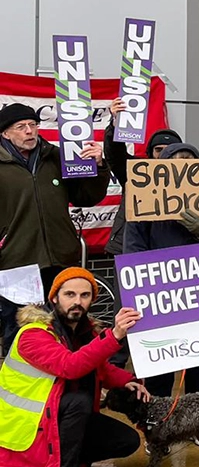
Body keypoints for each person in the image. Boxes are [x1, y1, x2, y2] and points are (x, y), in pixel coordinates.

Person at [0, 267, 145, 467]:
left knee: (126, 441)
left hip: (52, 420)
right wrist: (115, 335)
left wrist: (127, 381)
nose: (77, 302)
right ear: (54, 298)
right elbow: (70, 366)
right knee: (79, 401)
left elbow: (98, 367)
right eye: (69, 294)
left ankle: (55, 466)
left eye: (85, 295)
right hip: (28, 430)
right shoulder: (33, 333)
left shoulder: (83, 330)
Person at [124, 143, 199, 397]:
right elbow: (133, 250)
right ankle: (160, 429)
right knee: (159, 370)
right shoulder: (143, 199)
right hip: (160, 295)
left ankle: (197, 426)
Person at [0, 103, 111, 356]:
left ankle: (62, 391)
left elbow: (86, 196)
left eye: (33, 125)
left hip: (60, 259)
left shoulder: (56, 156)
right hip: (17, 263)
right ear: (5, 134)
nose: (30, 131)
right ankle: (19, 390)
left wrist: (99, 166)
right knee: (19, 334)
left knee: (64, 329)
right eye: (21, 127)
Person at [102, 99, 182, 256]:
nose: (165, 155)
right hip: (130, 249)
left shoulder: (189, 177)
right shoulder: (135, 172)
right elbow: (115, 154)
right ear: (150, 153)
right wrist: (116, 124)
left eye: (170, 150)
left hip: (169, 251)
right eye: (159, 150)